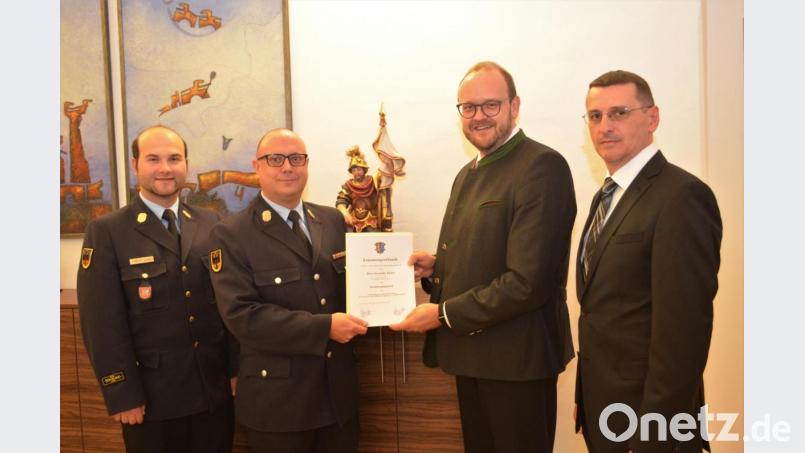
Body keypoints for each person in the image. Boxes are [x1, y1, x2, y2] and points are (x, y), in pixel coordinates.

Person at [390, 61, 577, 453]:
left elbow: (528, 281)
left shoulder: (541, 166)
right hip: (472, 357)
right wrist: (436, 267)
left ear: (514, 106)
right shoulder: (468, 172)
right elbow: (489, 253)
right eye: (469, 107)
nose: (479, 116)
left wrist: (441, 314)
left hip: (516, 362)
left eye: (490, 105)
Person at [574, 70, 722, 453]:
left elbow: (683, 335)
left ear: (652, 118)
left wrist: (654, 436)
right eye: (595, 116)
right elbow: (601, 312)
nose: (604, 126)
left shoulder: (682, 196)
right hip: (605, 414)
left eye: (619, 113)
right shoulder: (606, 196)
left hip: (649, 425)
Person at [76, 125, 237, 453]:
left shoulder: (211, 223)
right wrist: (121, 394)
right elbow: (101, 323)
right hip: (151, 401)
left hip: (213, 393)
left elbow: (227, 305)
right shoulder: (107, 231)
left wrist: (236, 370)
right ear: (135, 166)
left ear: (186, 165)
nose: (165, 168)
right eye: (154, 159)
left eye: (174, 158)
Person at [208, 128, 368, 453]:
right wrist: (325, 328)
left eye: (296, 158)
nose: (287, 167)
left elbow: (352, 288)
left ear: (307, 164)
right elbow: (243, 317)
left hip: (338, 396)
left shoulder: (332, 219)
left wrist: (399, 279)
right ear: (257, 166)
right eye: (275, 159)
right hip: (279, 405)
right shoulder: (231, 233)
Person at [336, 145, 379, 231]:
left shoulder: (373, 181)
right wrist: (344, 212)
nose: (356, 172)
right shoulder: (348, 185)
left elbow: (384, 178)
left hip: (372, 222)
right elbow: (341, 201)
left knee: (372, 240)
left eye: (359, 170)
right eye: (354, 170)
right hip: (354, 223)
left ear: (364, 170)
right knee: (350, 240)